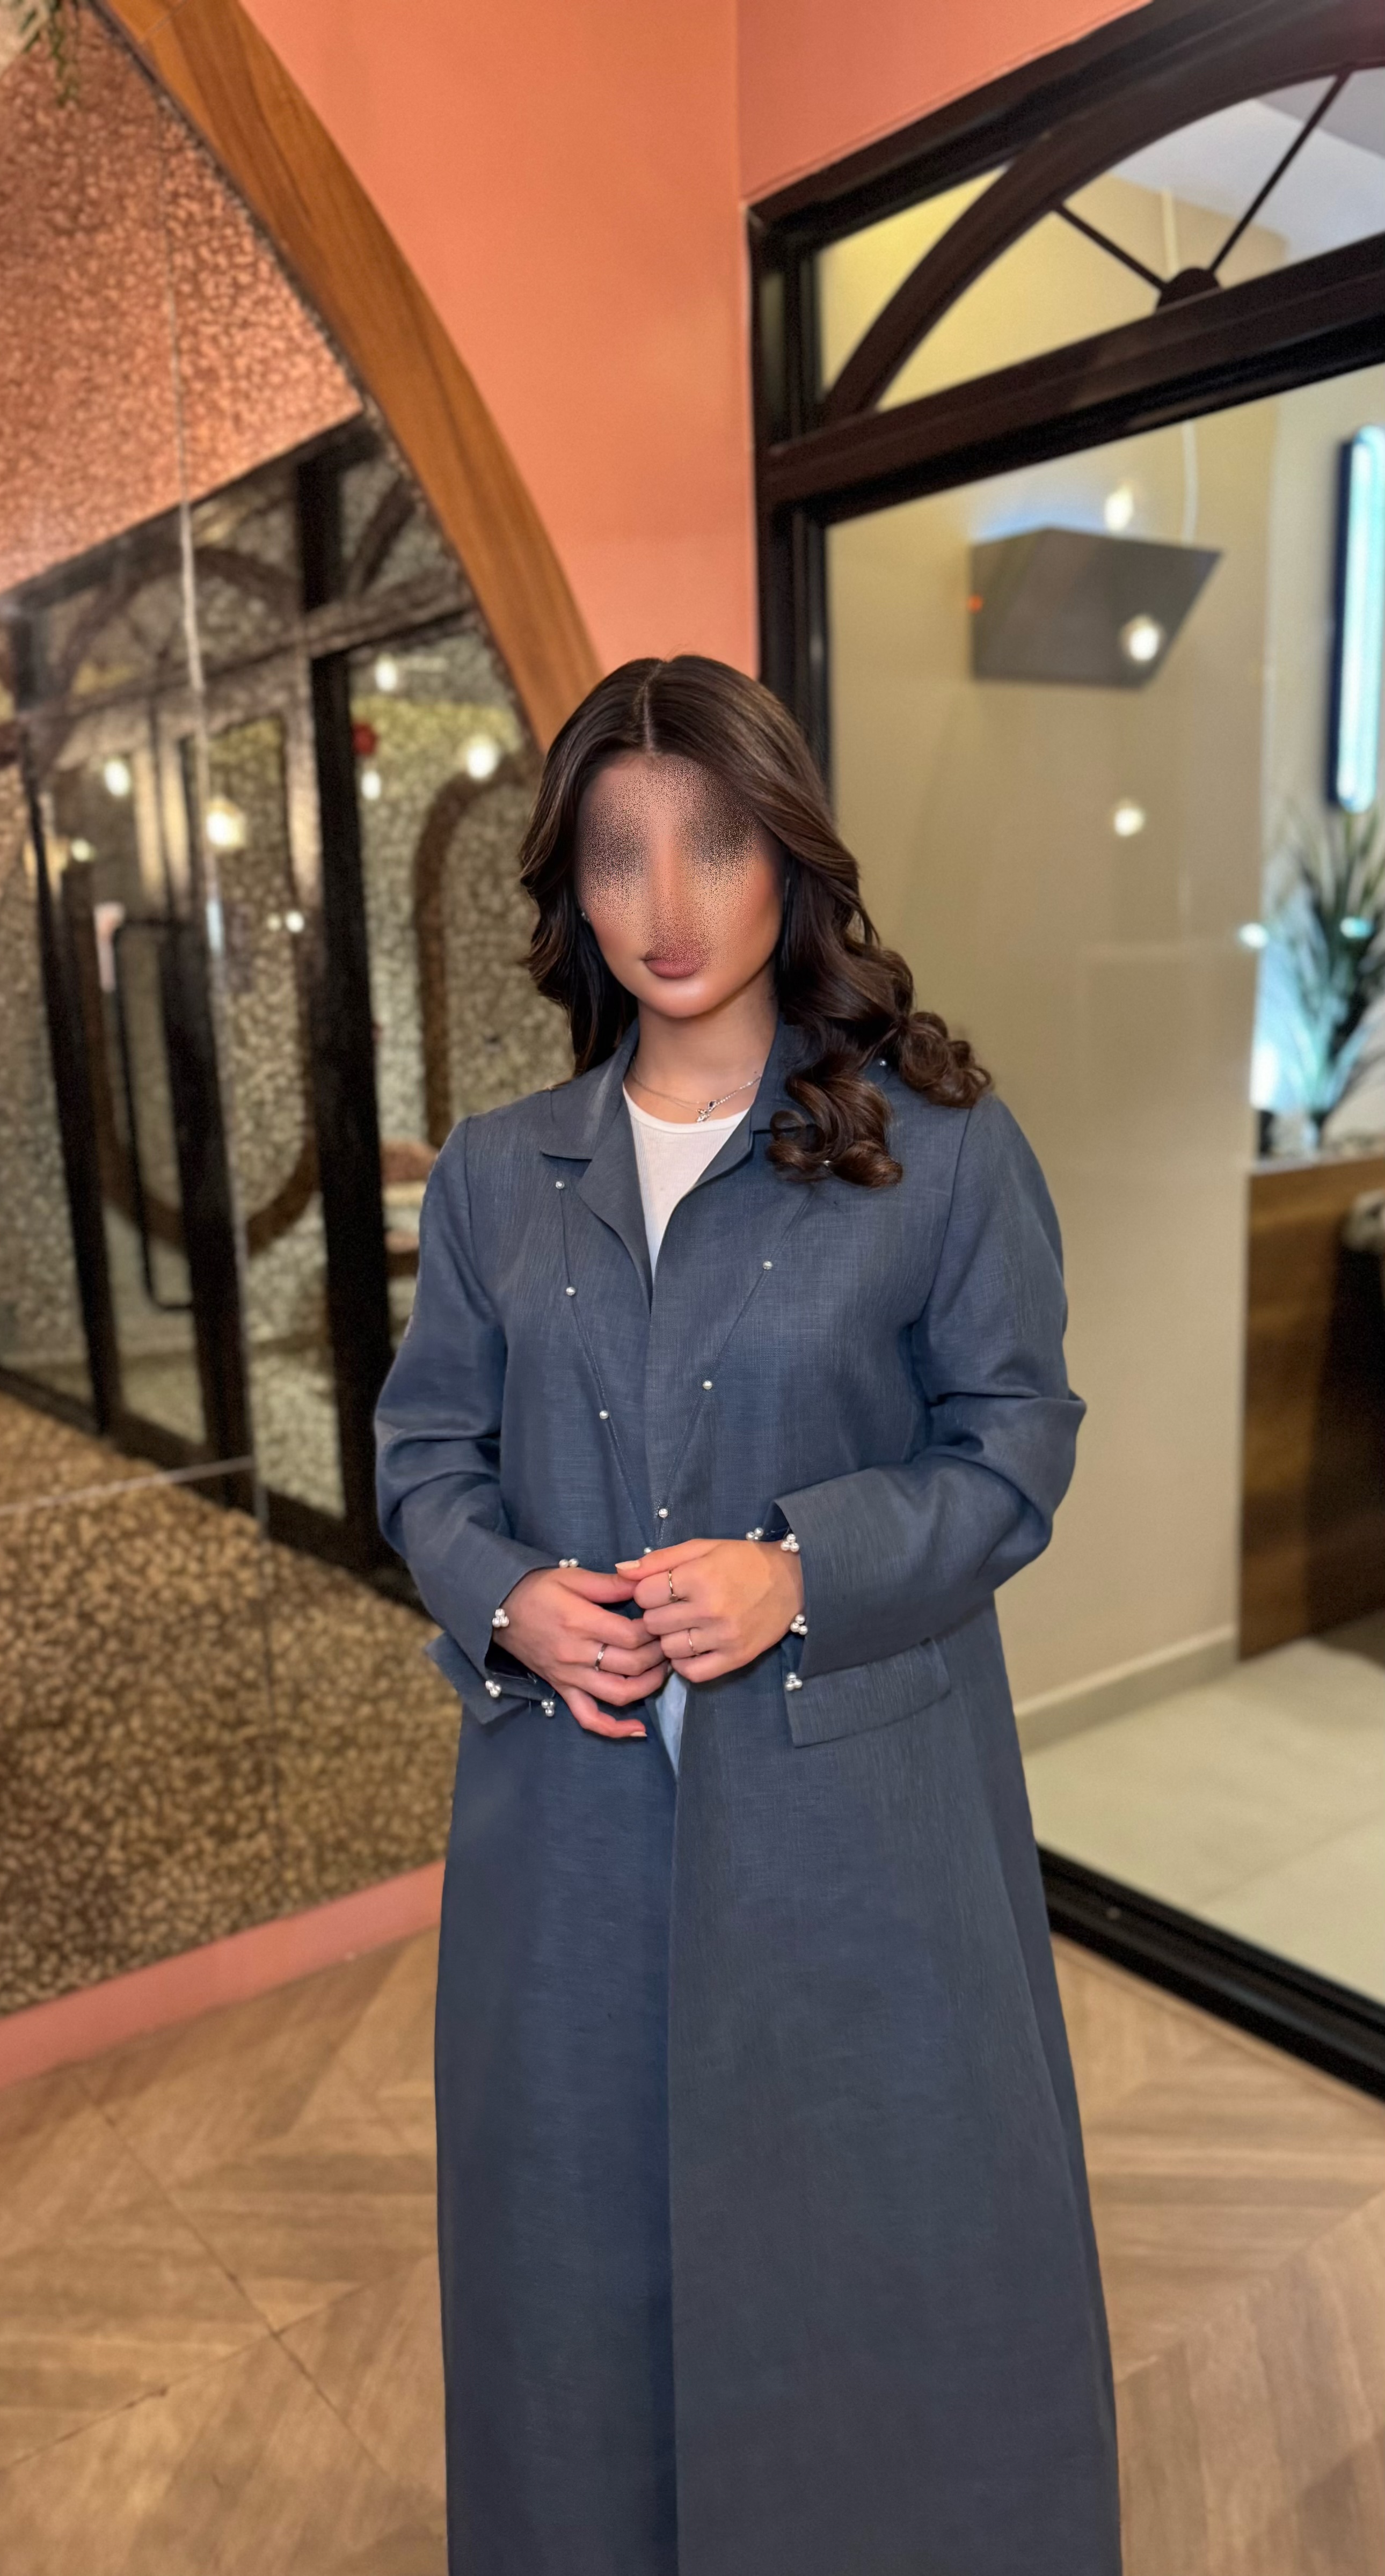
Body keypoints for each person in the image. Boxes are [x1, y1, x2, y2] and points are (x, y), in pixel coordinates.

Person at [375, 655, 1121, 2576]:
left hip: (857, 1842)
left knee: (884, 2261)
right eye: (616, 854)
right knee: (576, 2269)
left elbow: (1014, 1446)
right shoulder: (496, 1176)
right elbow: (423, 1455)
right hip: (568, 1837)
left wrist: (806, 1567)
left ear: (785, 854)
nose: (668, 903)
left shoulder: (936, 1147)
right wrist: (507, 1598)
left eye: (712, 843)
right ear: (569, 885)